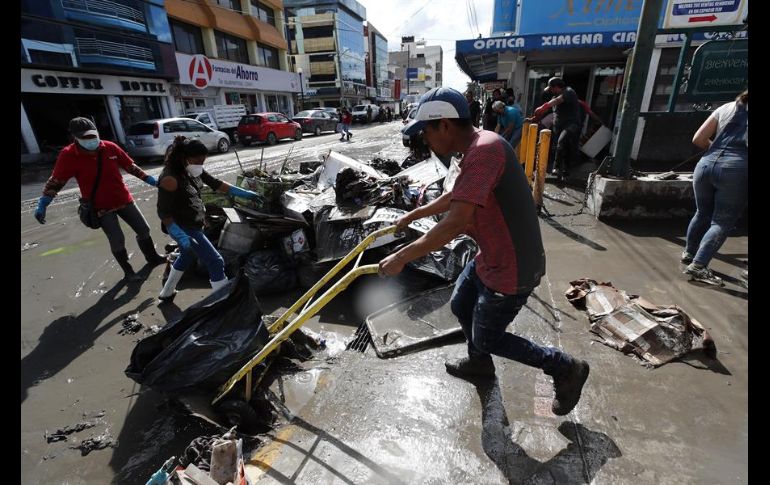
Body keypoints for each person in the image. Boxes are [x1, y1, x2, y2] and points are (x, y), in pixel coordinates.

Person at [381, 87, 590, 416]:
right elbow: (456, 196)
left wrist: (401, 257)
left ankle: (565, 367)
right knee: (461, 302)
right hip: (490, 257)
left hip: (512, 268)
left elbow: (454, 223)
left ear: (445, 126)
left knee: (489, 336)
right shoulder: (477, 148)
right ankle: (479, 364)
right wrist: (414, 215)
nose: (425, 141)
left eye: (426, 132)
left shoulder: (485, 151)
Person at [34, 117, 166, 281]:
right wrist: (43, 204)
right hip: (100, 206)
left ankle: (152, 258)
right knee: (117, 239)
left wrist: (150, 180)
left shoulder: (109, 147)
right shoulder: (68, 155)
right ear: (75, 138)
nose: (91, 140)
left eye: (93, 136)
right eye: (85, 138)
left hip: (123, 198)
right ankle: (129, 272)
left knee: (143, 229)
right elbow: (56, 182)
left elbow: (131, 167)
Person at [157, 136, 264, 302]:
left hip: (194, 221)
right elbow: (164, 213)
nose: (201, 164)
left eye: (203, 161)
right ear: (184, 157)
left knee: (185, 257)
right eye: (198, 160)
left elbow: (216, 183)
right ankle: (223, 302)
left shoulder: (192, 169)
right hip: (184, 227)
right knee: (215, 261)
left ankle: (166, 293)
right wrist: (178, 234)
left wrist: (244, 193)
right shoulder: (170, 178)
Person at [681, 90, 748, 286]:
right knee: (722, 220)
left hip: (706, 164)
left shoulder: (726, 107)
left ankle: (689, 253)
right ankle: (699, 266)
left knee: (702, 212)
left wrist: (717, 151)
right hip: (736, 170)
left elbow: (699, 139)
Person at [528, 77, 581, 181]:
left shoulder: (569, 92)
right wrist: (534, 118)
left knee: (563, 143)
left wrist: (543, 107)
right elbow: (551, 107)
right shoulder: (555, 96)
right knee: (560, 147)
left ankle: (557, 168)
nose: (551, 91)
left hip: (571, 125)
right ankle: (563, 172)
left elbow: (557, 101)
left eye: (551, 88)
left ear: (556, 87)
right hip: (558, 126)